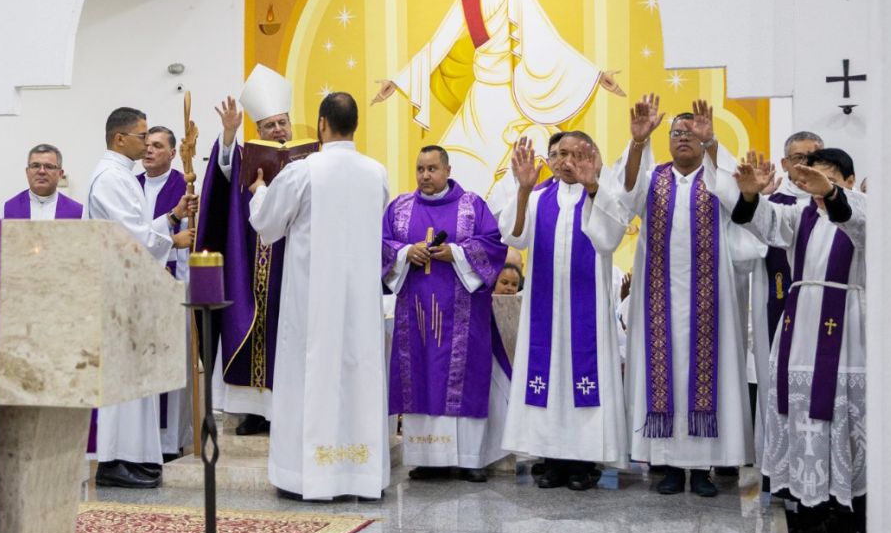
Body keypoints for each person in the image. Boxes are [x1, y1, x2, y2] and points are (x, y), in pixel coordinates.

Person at [371, 0, 626, 199]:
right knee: (462, 166)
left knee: (528, 156)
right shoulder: (467, 2)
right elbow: (437, 44)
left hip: (515, 97)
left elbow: (554, 44)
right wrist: (399, 80)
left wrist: (596, 74)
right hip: (480, 101)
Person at [606, 96, 758, 497]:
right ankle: (669, 466)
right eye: (677, 134)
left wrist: (712, 146)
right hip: (658, 302)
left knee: (706, 375)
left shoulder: (716, 177)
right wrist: (638, 142)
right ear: (667, 141)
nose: (683, 139)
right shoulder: (653, 178)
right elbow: (623, 195)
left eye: (691, 133)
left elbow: (739, 201)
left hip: (710, 303)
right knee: (664, 374)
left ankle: (704, 469)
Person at [249, 92, 391, 501]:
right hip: (360, 301)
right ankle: (360, 475)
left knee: (307, 375)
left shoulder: (301, 171)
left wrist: (260, 190)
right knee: (358, 372)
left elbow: (267, 225)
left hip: (311, 301)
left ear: (322, 124)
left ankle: (305, 475)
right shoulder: (376, 172)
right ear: (356, 125)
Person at [732, 148, 867, 533]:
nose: (813, 186)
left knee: (842, 419)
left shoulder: (862, 207)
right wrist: (753, 195)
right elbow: (767, 225)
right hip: (800, 325)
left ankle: (850, 521)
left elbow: (856, 224)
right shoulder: (803, 213)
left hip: (844, 327)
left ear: (846, 178)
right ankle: (808, 514)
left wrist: (833, 194)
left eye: (822, 178)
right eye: (808, 179)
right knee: (801, 419)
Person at [500, 132, 629, 491]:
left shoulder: (602, 196)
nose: (566, 161)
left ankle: (583, 463)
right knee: (547, 380)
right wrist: (523, 189)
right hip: (545, 313)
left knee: (583, 380)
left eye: (576, 154)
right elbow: (514, 237)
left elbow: (608, 239)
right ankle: (552, 460)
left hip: (586, 315)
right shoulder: (539, 198)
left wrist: (593, 189)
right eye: (559, 154)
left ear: (591, 157)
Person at [383, 145, 510, 482]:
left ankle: (470, 459)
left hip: (463, 317)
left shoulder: (472, 206)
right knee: (420, 377)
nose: (425, 176)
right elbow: (381, 245)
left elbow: (494, 246)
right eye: (420, 169)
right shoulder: (399, 209)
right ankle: (428, 459)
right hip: (415, 312)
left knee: (464, 379)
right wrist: (406, 252)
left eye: (432, 169)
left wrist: (453, 253)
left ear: (447, 170)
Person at [87, 107, 195, 488]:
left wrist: (169, 219)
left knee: (134, 377)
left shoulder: (118, 176)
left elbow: (134, 229)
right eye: (140, 136)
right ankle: (117, 460)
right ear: (120, 139)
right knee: (125, 379)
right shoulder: (112, 178)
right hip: (120, 290)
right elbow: (131, 237)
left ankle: (135, 457)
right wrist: (174, 240)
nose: (145, 143)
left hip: (128, 287)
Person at [197, 65, 295, 436]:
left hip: (294, 261)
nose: (277, 130)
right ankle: (255, 411)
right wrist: (228, 135)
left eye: (281, 123)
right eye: (269, 125)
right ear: (258, 130)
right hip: (252, 259)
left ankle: (287, 406)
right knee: (256, 327)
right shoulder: (244, 156)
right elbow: (223, 177)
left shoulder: (308, 161)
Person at [748, 131, 822, 466]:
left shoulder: (836, 203)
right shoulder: (773, 205)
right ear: (784, 164)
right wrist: (756, 199)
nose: (806, 164)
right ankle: (777, 463)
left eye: (813, 157)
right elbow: (748, 243)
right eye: (798, 158)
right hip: (780, 308)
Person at [140, 126, 192, 459]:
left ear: (173, 153)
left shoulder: (183, 187)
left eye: (157, 146)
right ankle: (143, 439)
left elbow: (191, 240)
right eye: (146, 145)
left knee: (172, 361)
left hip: (174, 283)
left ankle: (170, 441)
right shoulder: (130, 186)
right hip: (138, 285)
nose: (149, 151)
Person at [2, 144, 85, 219]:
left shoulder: (80, 214)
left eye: (49, 166)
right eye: (35, 166)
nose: (42, 171)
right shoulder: (5, 210)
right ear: (27, 172)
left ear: (60, 174)